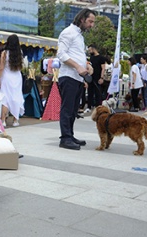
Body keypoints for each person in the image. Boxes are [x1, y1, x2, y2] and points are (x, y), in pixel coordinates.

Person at [56, 8, 95, 150]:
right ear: (82, 19)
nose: (92, 25)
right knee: (67, 108)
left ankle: (70, 135)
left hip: (77, 78)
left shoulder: (79, 36)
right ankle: (65, 138)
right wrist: (78, 67)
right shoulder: (68, 32)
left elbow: (76, 55)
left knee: (73, 109)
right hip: (68, 76)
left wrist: (86, 66)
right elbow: (61, 54)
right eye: (90, 21)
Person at [0, 34, 25, 127]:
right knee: (16, 97)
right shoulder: (20, 52)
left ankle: (3, 120)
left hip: (6, 77)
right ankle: (15, 120)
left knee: (5, 98)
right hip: (17, 77)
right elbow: (21, 67)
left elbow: (1, 67)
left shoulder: (4, 53)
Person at [87, 44, 105, 109]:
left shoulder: (101, 58)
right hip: (91, 77)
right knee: (90, 92)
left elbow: (103, 68)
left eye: (90, 50)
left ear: (94, 49)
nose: (89, 52)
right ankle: (89, 106)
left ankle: (98, 106)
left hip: (98, 77)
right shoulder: (91, 57)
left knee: (98, 92)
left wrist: (101, 77)